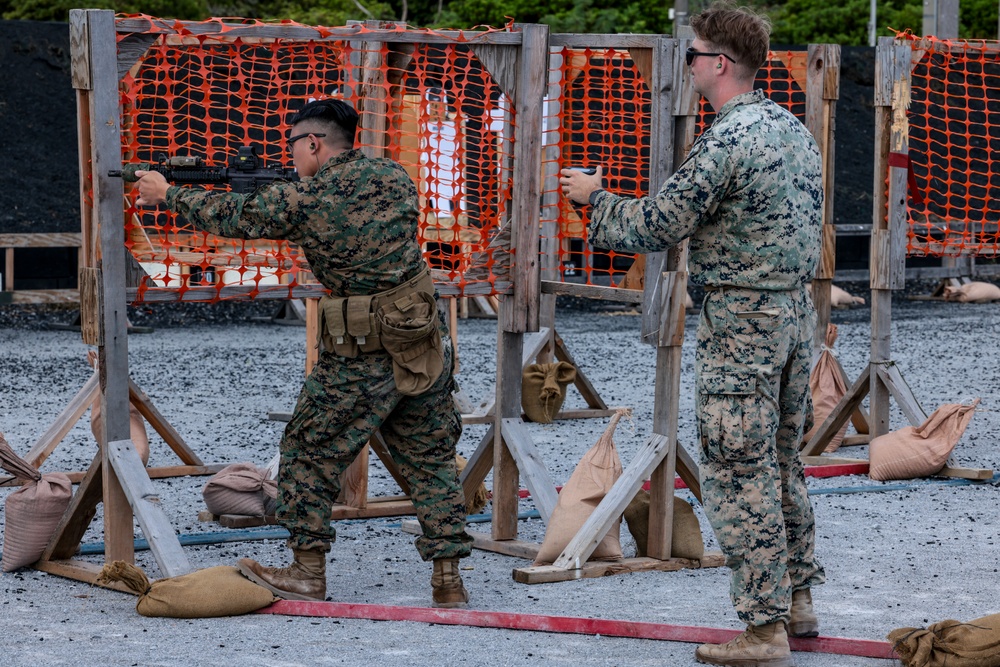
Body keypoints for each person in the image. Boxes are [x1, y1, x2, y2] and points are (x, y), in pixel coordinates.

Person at [560, 4, 825, 666]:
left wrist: (593, 200)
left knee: (737, 469)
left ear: (720, 65)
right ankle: (796, 601)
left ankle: (764, 628)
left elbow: (656, 224)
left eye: (693, 54)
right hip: (794, 316)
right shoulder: (793, 131)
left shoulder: (729, 140)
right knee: (781, 461)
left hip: (742, 324)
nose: (688, 65)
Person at [135, 98, 473, 607]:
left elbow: (236, 216)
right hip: (422, 342)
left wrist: (168, 193)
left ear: (313, 143)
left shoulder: (307, 198)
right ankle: (449, 580)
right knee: (430, 459)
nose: (290, 155)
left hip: (363, 351)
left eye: (294, 145)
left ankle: (307, 572)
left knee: (308, 455)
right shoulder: (395, 176)